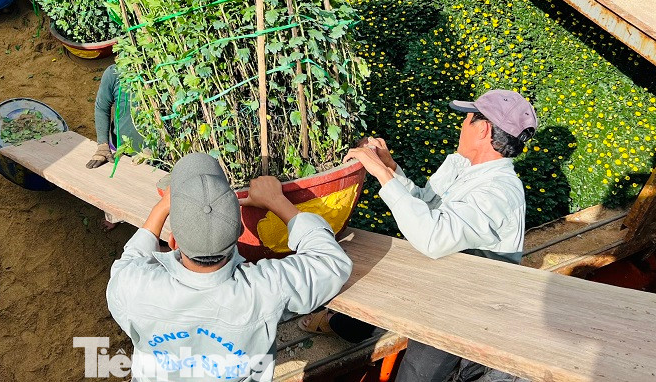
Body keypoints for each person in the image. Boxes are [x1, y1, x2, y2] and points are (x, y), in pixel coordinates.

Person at [303, 89, 536, 382]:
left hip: (467, 302)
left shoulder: (498, 192)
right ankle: (347, 326)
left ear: (483, 128)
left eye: (466, 120)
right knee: (363, 312)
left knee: (416, 373)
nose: (461, 126)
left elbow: (433, 238)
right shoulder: (464, 166)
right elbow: (426, 205)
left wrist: (381, 175)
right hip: (440, 277)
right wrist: (391, 167)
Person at [106, 152, 352, 381]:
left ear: (173, 240)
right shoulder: (263, 290)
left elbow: (132, 258)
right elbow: (331, 262)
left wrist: (161, 209)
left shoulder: (132, 286)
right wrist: (277, 201)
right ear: (240, 231)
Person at [86, 64, 146, 169]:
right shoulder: (115, 73)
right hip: (119, 149)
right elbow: (102, 108)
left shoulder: (166, 71)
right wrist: (103, 146)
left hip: (155, 156)